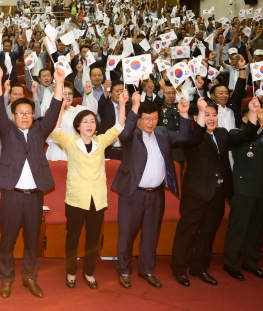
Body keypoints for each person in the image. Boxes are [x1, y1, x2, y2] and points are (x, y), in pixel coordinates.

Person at [0, 63, 64, 299]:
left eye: (28, 113)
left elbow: (53, 111)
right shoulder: (7, 130)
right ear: (14, 116)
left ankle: (30, 277)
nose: (25, 116)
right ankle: (6, 278)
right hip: (11, 196)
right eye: (20, 113)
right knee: (7, 240)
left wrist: (59, 83)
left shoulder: (39, 132)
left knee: (32, 240)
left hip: (34, 197)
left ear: (34, 116)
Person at [170, 98, 260, 287]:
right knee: (188, 232)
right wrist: (200, 113)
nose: (212, 118)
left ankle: (199, 267)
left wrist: (253, 113)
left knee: (208, 233)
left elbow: (245, 136)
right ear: (197, 117)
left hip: (218, 192)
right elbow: (194, 138)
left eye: (214, 115)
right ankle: (179, 268)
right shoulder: (191, 135)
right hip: (196, 193)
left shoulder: (222, 133)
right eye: (206, 114)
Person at [51, 87, 128, 290]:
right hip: (76, 199)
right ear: (78, 126)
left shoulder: (101, 142)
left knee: (93, 238)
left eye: (92, 121)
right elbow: (56, 129)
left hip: (97, 199)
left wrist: (122, 104)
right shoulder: (70, 142)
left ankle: (88, 271)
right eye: (85, 121)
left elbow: (119, 126)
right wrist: (60, 108)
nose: (89, 124)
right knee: (73, 237)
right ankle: (70, 271)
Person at [112, 95, 191, 289]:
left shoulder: (162, 132)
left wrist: (184, 114)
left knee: (151, 234)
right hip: (133, 194)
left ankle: (147, 269)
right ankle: (123, 269)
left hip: (156, 194)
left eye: (154, 118)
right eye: (146, 119)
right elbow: (122, 135)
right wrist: (134, 107)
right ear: (139, 118)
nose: (150, 123)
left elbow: (183, 136)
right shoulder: (131, 135)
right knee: (127, 234)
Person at [223, 105, 263, 280]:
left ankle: (250, 261)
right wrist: (257, 124)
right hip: (243, 188)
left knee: (256, 228)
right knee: (239, 227)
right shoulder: (236, 133)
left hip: (260, 189)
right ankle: (230, 263)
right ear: (247, 118)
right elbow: (244, 137)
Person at [98, 80, 131, 160]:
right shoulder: (106, 106)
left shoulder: (129, 106)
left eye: (122, 91)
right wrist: (106, 91)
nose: (119, 93)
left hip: (125, 151)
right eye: (116, 91)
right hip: (109, 150)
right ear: (110, 93)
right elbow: (100, 107)